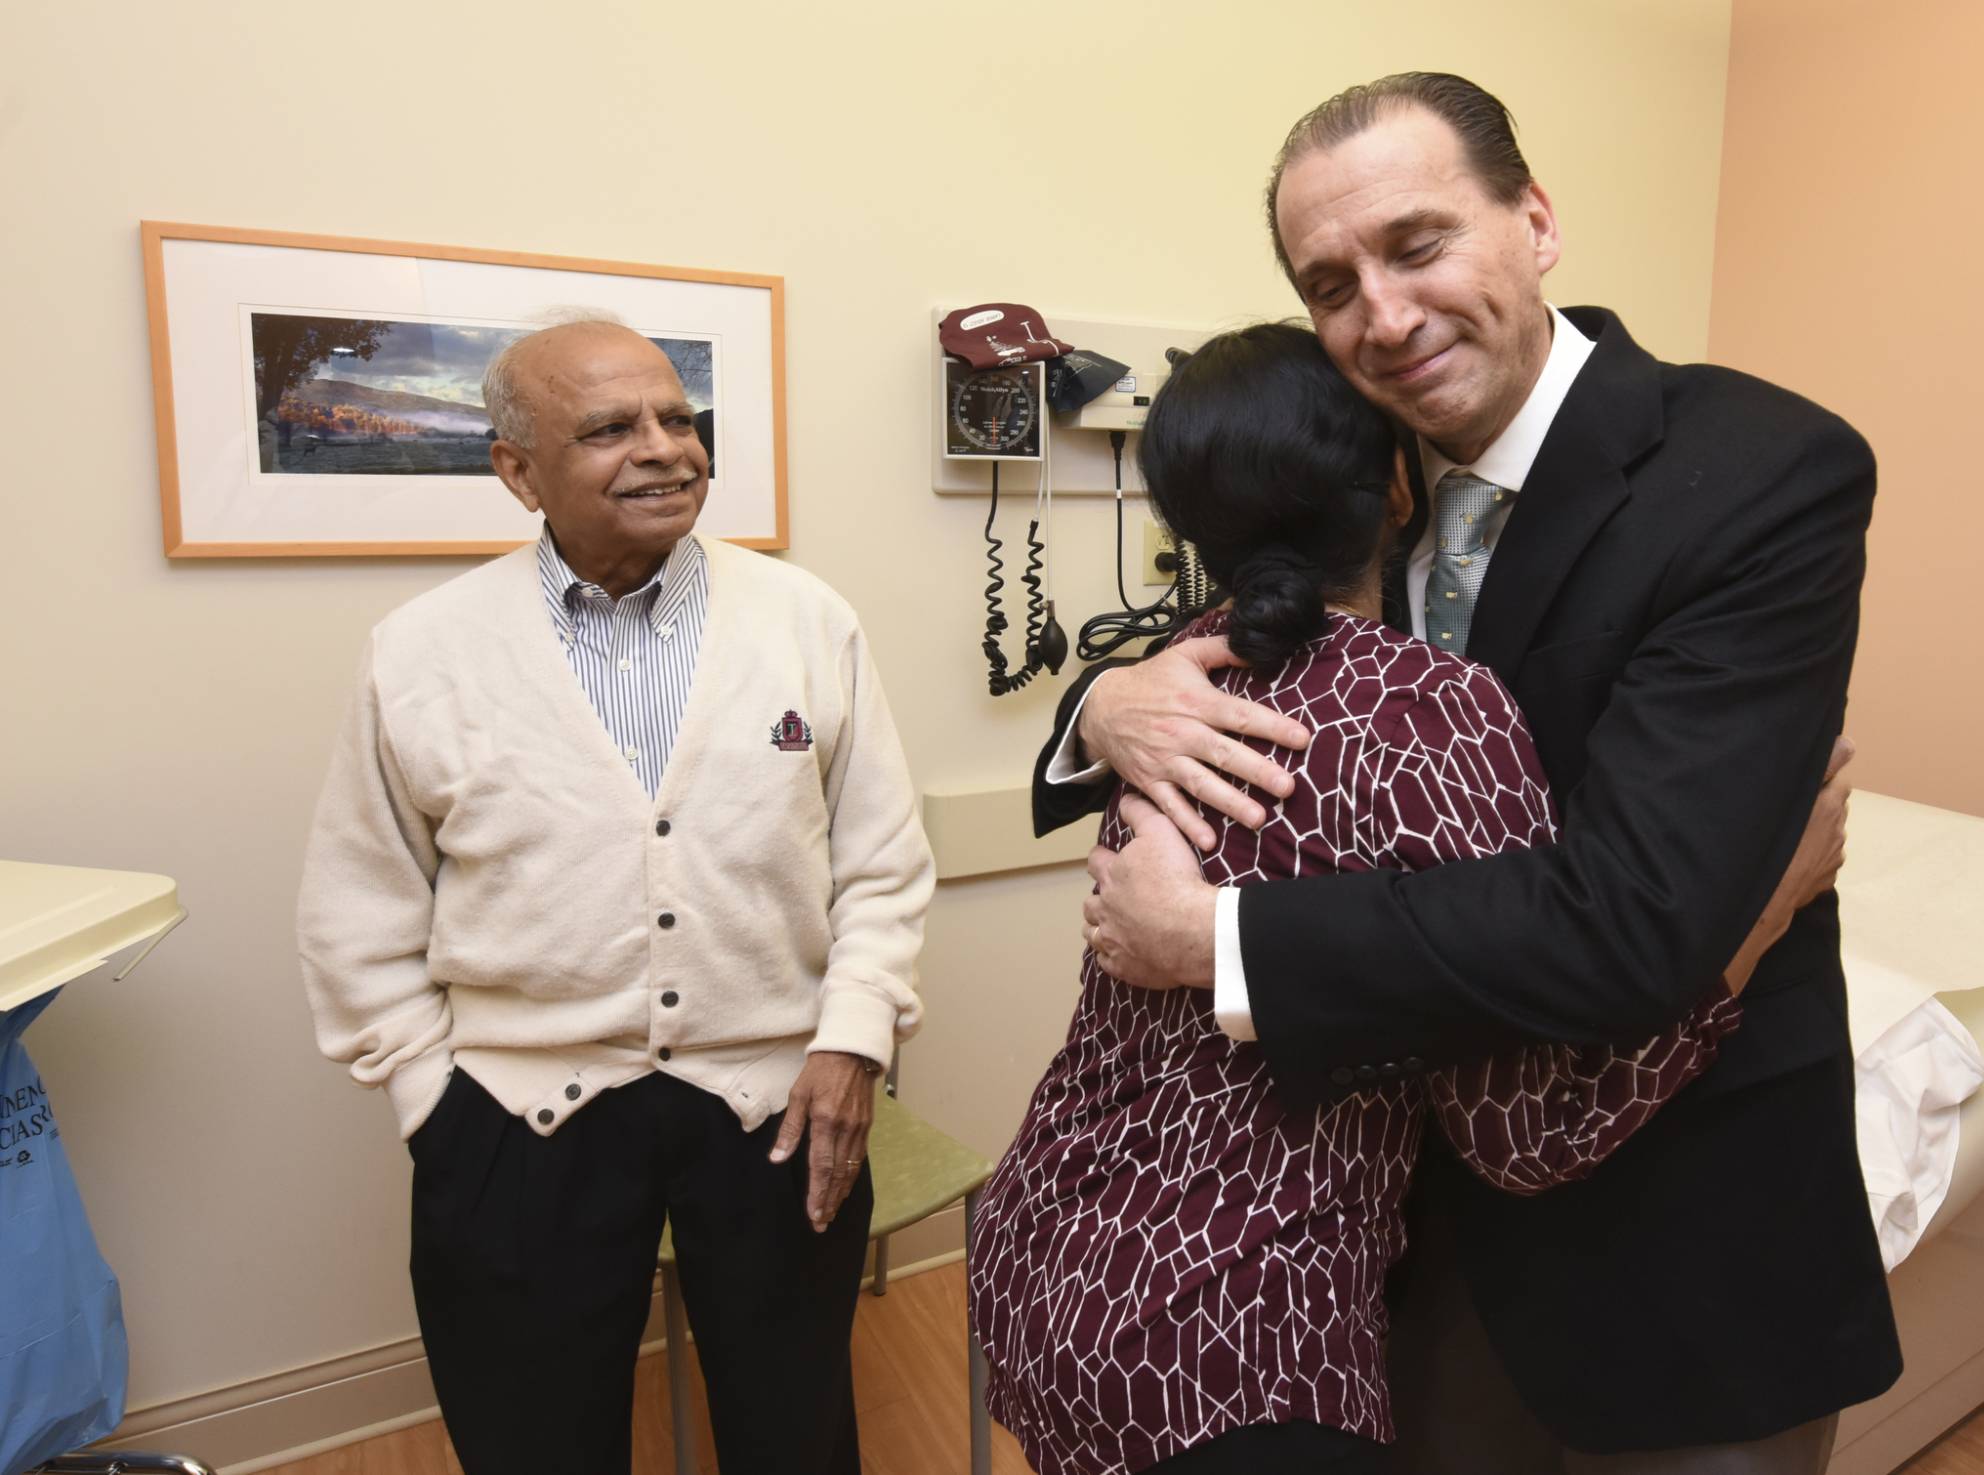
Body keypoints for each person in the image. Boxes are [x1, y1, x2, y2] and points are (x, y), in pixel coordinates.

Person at [1033, 74, 1893, 1473]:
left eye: (1418, 243)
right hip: (1412, 1248)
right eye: (1331, 282)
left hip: (1680, 1248)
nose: (1380, 313)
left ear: (1536, 219)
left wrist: (1219, 939)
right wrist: (1108, 707)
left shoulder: (1755, 469)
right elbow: (1232, 663)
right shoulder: (1362, 482)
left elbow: (1633, 918)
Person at [972, 322, 1773, 1475]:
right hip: (1231, 1330)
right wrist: (1753, 924)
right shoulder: (1429, 715)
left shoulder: (1181, 672)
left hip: (1045, 1252)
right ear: (1400, 485)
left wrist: (1096, 698)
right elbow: (1528, 1132)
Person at [297, 318, 933, 1475]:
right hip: (513, 1109)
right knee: (535, 1441)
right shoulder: (421, 651)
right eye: (608, 428)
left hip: (776, 1102)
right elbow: (358, 906)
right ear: (516, 469)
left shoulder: (805, 620)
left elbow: (882, 862)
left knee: (795, 1433)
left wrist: (852, 1040)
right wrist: (430, 1102)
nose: (663, 449)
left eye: (676, 418)